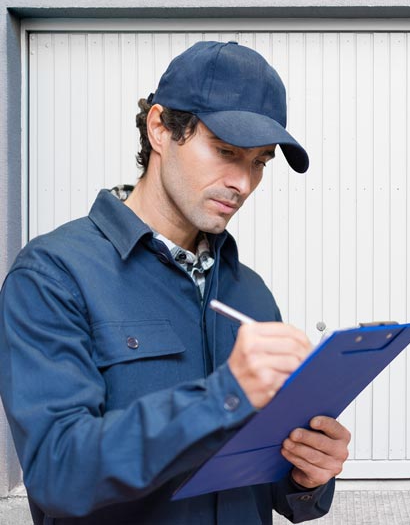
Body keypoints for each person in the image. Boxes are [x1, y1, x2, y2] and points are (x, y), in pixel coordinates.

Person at [0, 41, 350, 525]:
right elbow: (59, 473)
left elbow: (264, 478)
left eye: (259, 163)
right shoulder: (54, 276)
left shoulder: (250, 292)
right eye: (226, 151)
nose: (243, 183)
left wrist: (305, 476)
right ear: (160, 128)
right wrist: (223, 396)